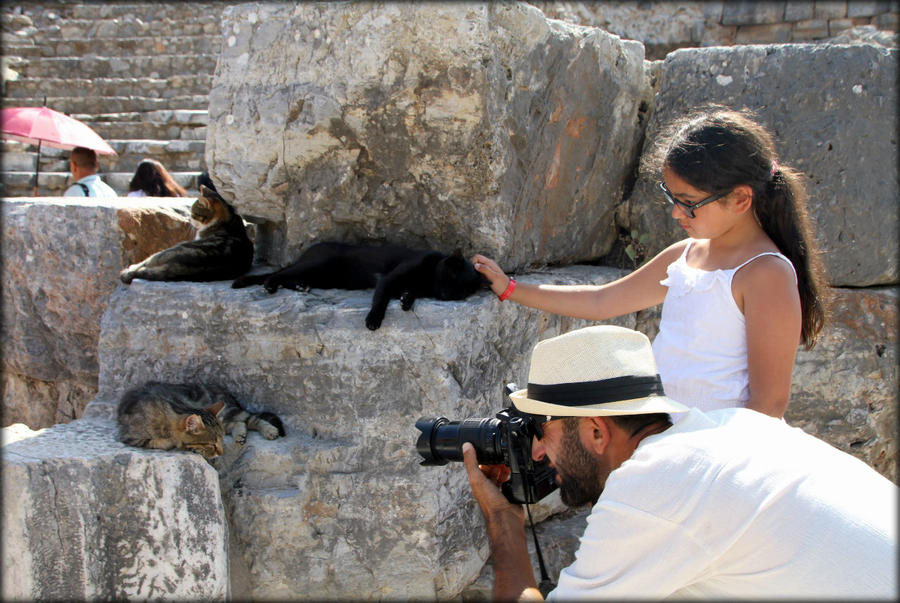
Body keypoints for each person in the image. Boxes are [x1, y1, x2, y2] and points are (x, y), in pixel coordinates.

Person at [463, 325, 897, 600]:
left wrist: (503, 520)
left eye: (541, 427)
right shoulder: (729, 429)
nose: (537, 451)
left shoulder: (653, 485)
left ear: (596, 430)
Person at [472, 108, 828, 418]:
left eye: (688, 201)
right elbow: (603, 301)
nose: (676, 213)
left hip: (718, 454)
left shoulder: (766, 274)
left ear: (740, 199)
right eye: (671, 197)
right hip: (667, 436)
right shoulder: (685, 255)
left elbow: (769, 404)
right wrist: (512, 289)